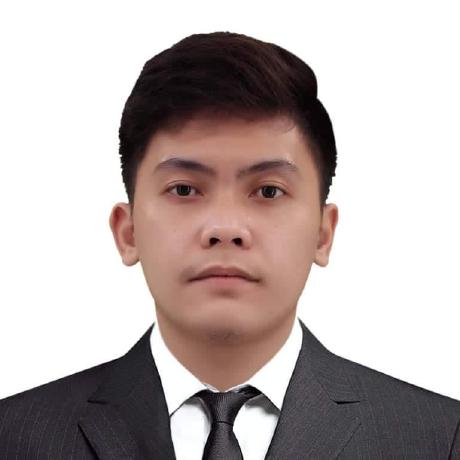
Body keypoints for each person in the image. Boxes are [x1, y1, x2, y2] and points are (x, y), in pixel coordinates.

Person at [0, 31, 459, 460]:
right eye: (184, 189)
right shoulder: (15, 436)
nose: (225, 228)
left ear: (323, 232)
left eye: (268, 191)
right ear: (128, 231)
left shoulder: (438, 438)